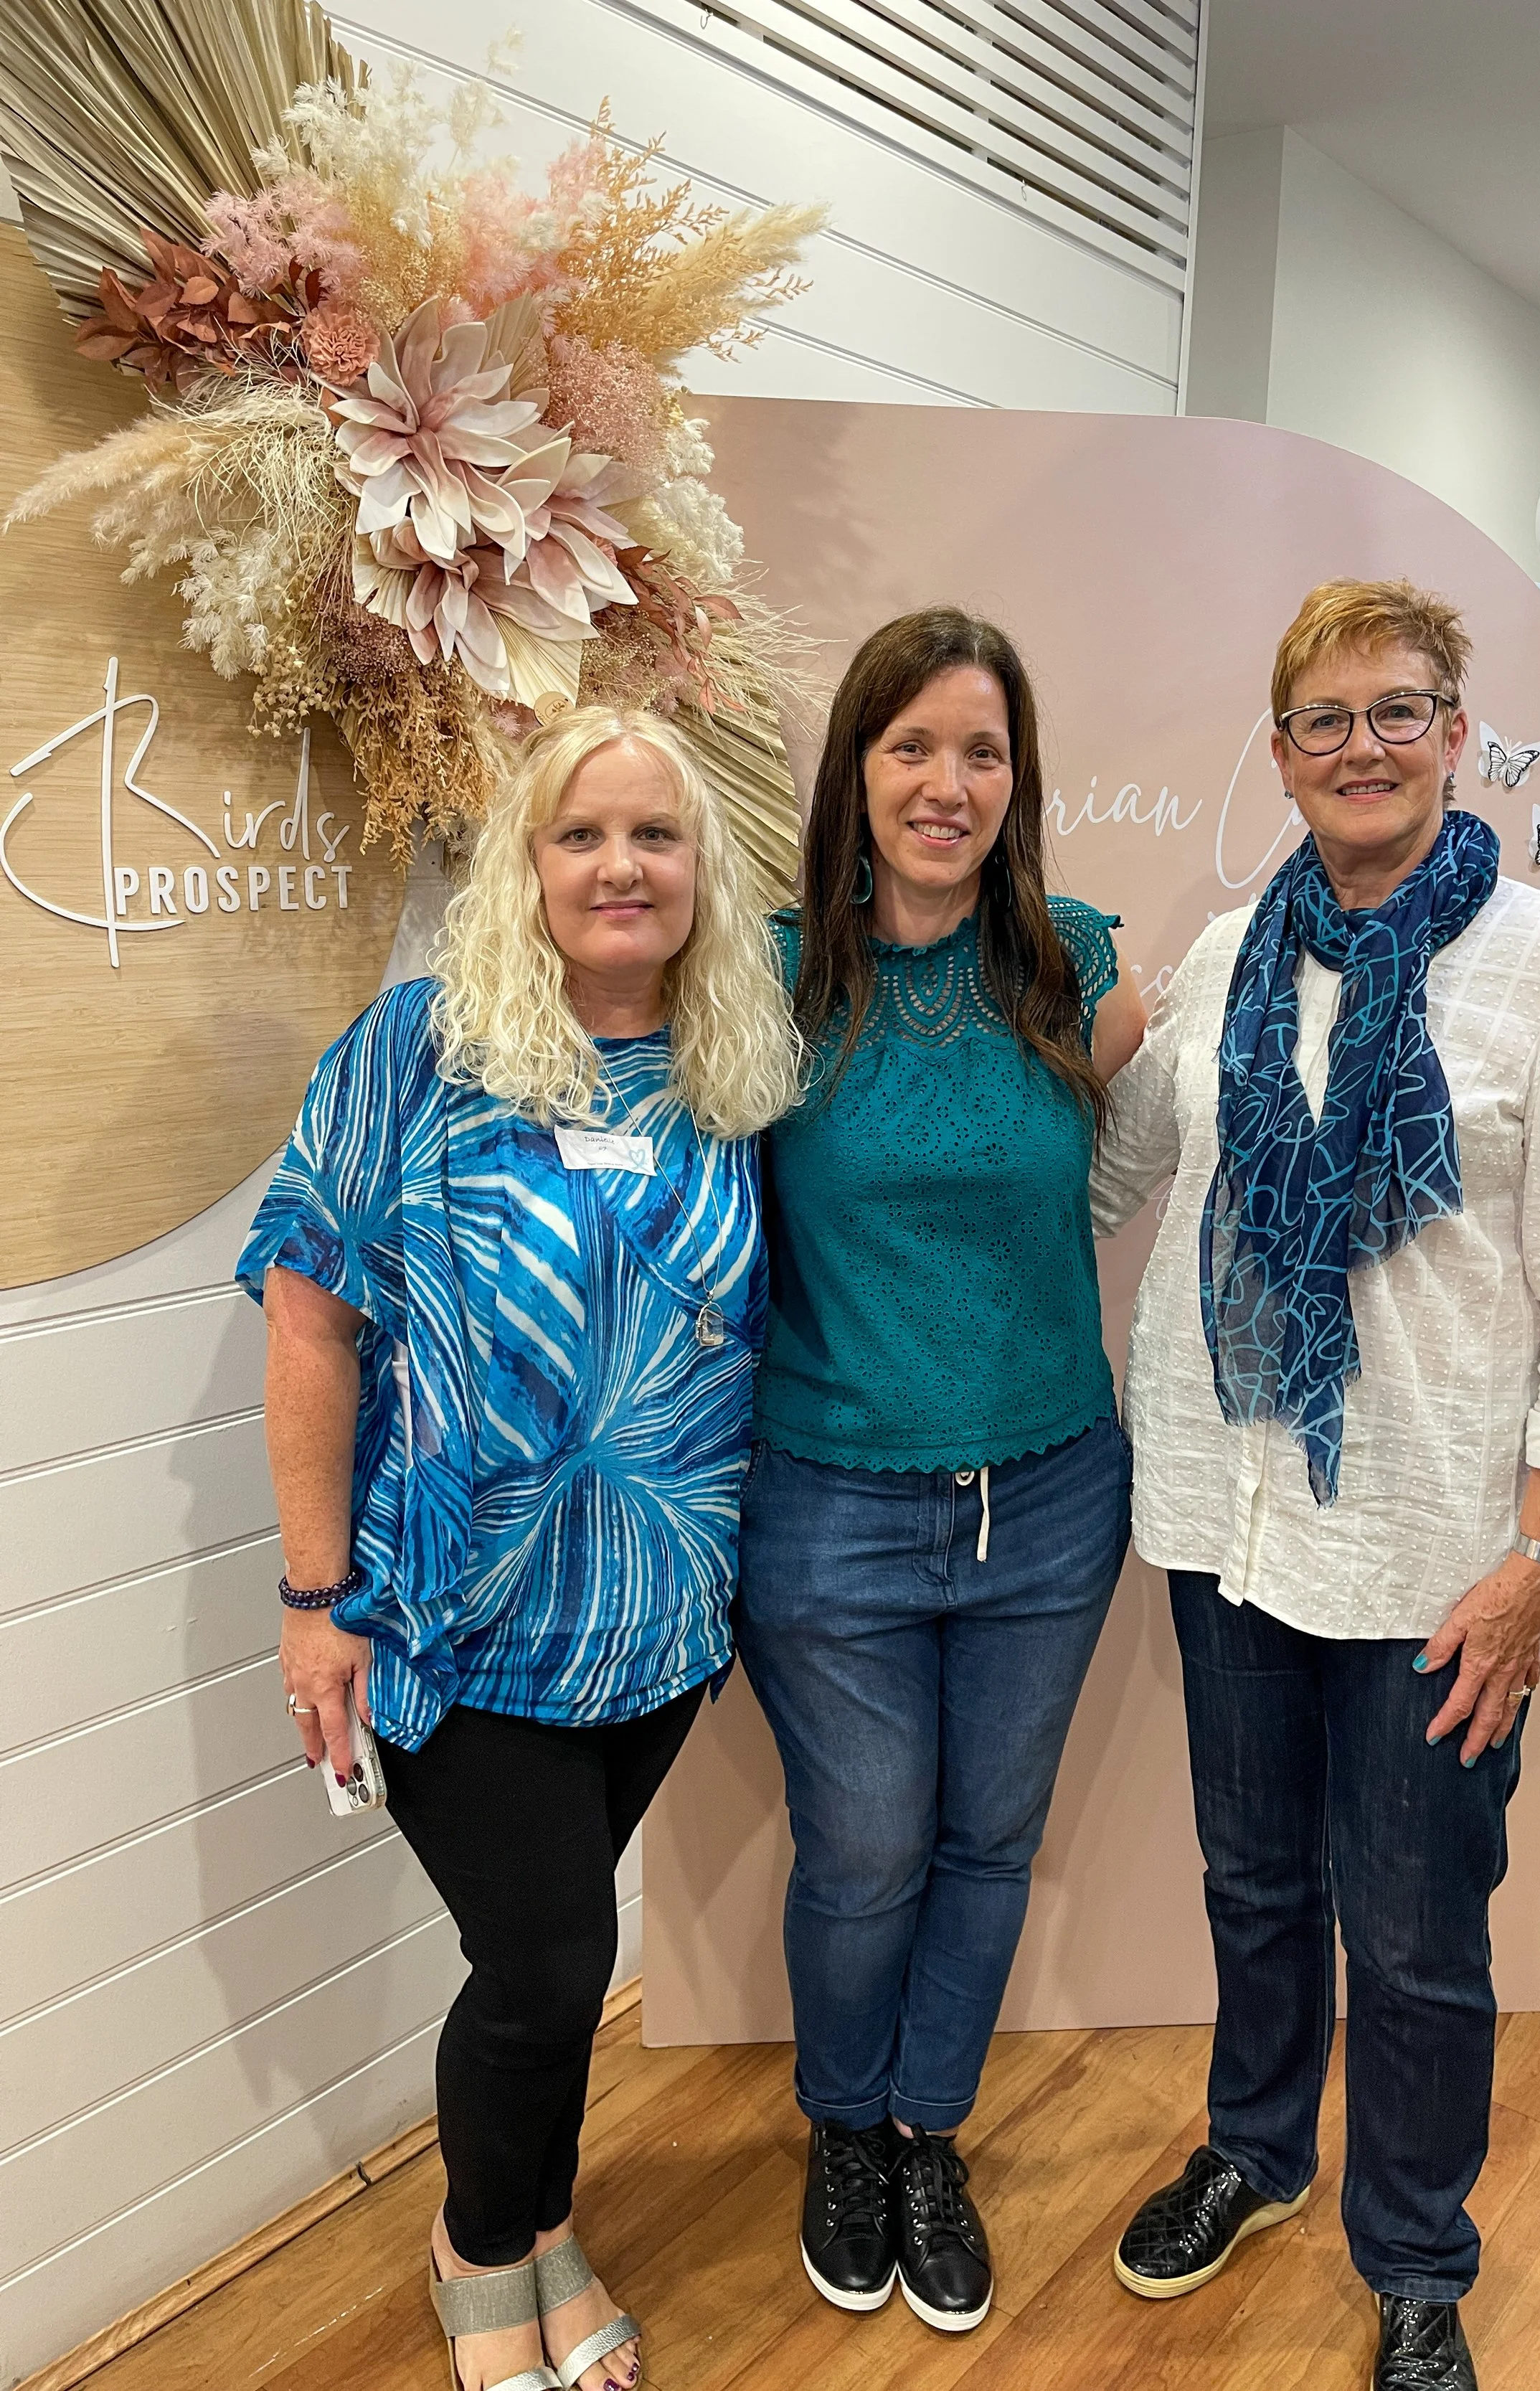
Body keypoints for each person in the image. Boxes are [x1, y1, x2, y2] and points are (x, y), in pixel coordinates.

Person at [1092, 580, 1540, 2391]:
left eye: (1397, 710)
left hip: (1434, 1555)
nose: (1361, 746)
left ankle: (1415, 2257)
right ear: (1277, 754)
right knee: (1251, 1881)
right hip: (1221, 1512)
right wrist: (1003, 1028)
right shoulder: (1220, 949)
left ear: (1454, 733)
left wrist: (1537, 1562)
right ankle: (1252, 2151)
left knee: (1415, 1939)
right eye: (1324, 719)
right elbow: (1116, 1178)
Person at [242, 708, 798, 2391]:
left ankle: (543, 2216)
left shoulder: (737, 1070)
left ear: (701, 875)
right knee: (552, 1959)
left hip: (659, 1618)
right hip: (452, 1617)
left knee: (540, 1968)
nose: (621, 867)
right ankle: (482, 2249)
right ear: (527, 865)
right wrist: (312, 1595)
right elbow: (310, 1327)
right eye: (582, 835)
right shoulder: (418, 1048)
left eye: (655, 838)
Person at [734, 607, 1146, 2334]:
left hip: (1051, 1494)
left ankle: (926, 2130)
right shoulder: (763, 978)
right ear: (856, 767)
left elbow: (1121, 1170)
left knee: (990, 1842)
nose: (946, 782)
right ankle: (842, 2126)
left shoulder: (1073, 959)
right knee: (863, 1854)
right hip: (828, 1502)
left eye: (980, 751)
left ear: (1015, 779)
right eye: (911, 745)